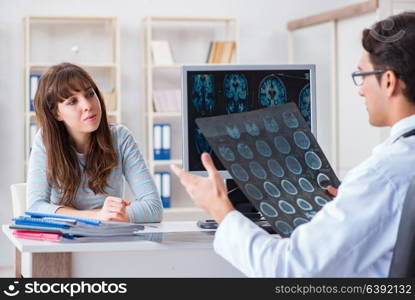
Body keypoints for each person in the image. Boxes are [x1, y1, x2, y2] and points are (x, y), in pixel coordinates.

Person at [171, 11, 415, 277]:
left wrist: (220, 208)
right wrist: (348, 206)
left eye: (362, 76)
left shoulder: (382, 177)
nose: (360, 89)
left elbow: (288, 269)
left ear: (388, 81)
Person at [27, 63, 163, 223]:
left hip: (109, 241)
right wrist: (97, 216)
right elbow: (35, 207)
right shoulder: (45, 140)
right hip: (65, 241)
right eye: (72, 101)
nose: (87, 105)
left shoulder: (120, 137)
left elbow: (154, 208)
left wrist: (118, 214)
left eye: (90, 94)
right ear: (57, 113)